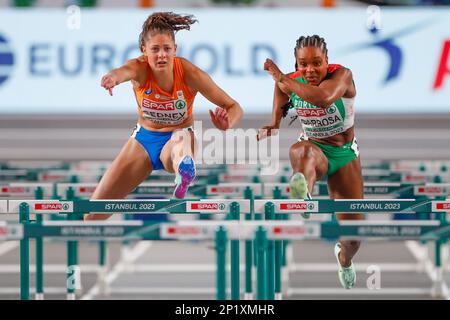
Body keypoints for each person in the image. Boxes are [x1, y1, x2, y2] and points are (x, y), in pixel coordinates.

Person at [84, 12, 243, 221]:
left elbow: (234, 106)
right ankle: (183, 168)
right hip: (143, 141)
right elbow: (122, 72)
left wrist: (227, 123)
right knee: (93, 215)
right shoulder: (139, 68)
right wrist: (112, 78)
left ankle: (184, 172)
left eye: (167, 49)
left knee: (180, 142)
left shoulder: (189, 73)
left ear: (175, 50)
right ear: (144, 51)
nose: (162, 55)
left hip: (178, 138)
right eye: (155, 49)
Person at [257, 35, 364, 289]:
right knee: (302, 152)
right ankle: (302, 190)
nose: (310, 70)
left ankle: (344, 259)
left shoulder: (343, 77)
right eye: (303, 65)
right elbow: (281, 90)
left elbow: (323, 98)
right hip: (314, 148)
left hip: (344, 154)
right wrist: (274, 122)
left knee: (354, 238)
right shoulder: (291, 81)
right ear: (297, 65)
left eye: (317, 63)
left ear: (327, 60)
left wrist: (283, 79)